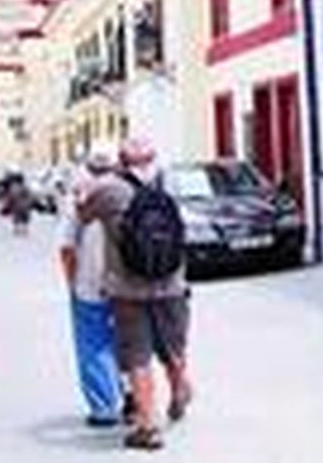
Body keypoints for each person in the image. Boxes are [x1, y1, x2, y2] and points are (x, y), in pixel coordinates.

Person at [79, 136, 192, 452]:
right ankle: (180, 389)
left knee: (137, 357)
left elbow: (83, 214)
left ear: (122, 162)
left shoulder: (109, 190)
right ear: (154, 159)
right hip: (172, 284)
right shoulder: (170, 185)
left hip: (128, 291)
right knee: (173, 346)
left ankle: (148, 427)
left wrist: (85, 190)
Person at [57, 152, 127, 427]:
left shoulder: (79, 197)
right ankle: (133, 396)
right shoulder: (127, 191)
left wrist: (71, 283)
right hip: (128, 285)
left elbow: (66, 247)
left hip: (89, 284)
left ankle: (104, 407)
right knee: (128, 341)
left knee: (92, 344)